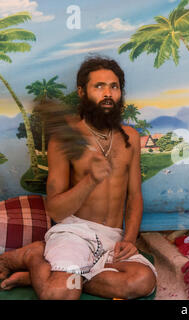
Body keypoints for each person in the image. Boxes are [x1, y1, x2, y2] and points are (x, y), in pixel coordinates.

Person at [0, 56, 156, 299]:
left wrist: (129, 238)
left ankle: (43, 275)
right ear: (82, 92)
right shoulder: (65, 138)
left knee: (142, 281)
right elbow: (56, 211)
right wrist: (90, 180)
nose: (108, 93)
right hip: (74, 233)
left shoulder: (130, 137)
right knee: (61, 295)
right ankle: (34, 258)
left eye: (114, 86)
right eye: (99, 86)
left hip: (112, 238)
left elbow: (135, 196)